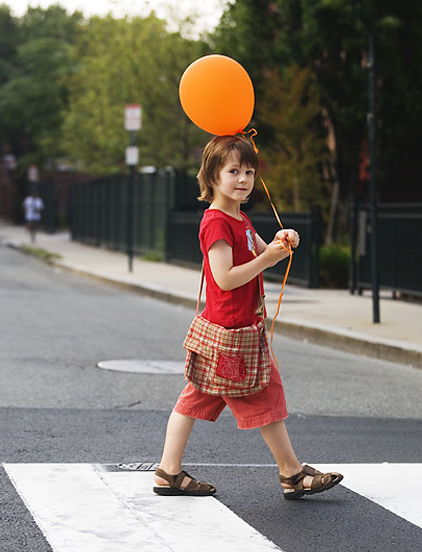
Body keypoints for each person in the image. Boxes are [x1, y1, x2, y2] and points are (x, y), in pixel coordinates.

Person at [154, 135, 343, 499]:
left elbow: (264, 252)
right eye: (233, 171)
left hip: (237, 331)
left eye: (249, 172)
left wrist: (282, 241)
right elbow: (224, 278)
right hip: (230, 335)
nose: (243, 179)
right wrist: (268, 258)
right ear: (212, 177)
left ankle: (169, 471)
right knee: (264, 396)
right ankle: (291, 473)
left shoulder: (239, 218)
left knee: (195, 399)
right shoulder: (216, 223)